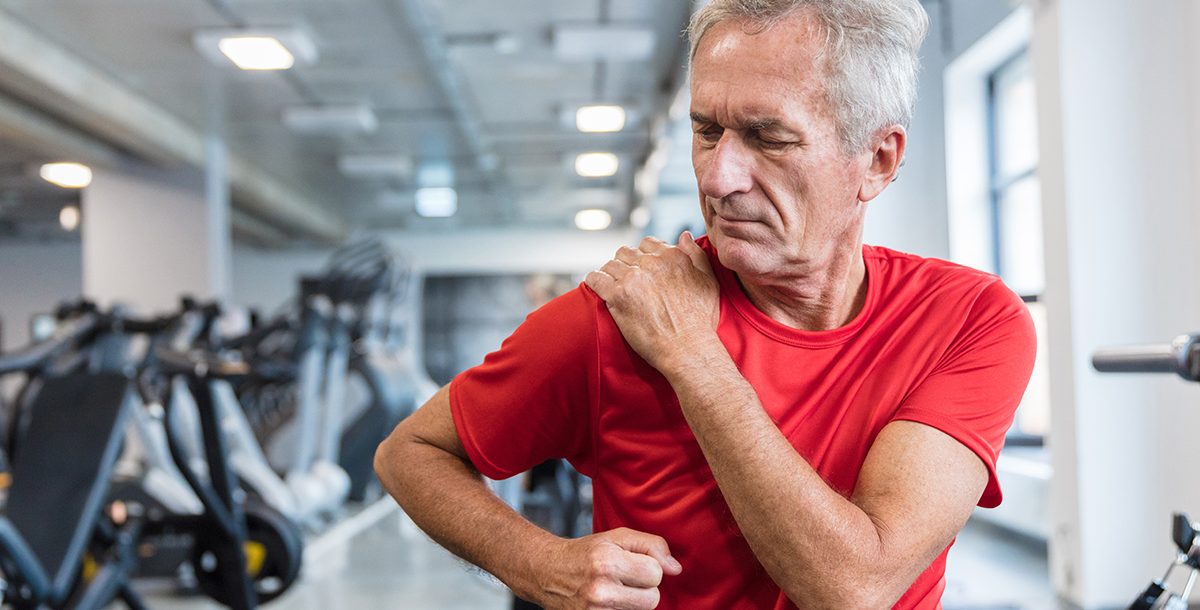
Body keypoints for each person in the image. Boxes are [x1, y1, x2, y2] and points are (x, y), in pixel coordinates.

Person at [375, 0, 1037, 608]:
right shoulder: (614, 318)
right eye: (706, 130)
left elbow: (853, 586)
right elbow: (410, 452)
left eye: (769, 138)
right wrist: (538, 563)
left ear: (878, 161)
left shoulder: (969, 320)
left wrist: (695, 358)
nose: (719, 177)